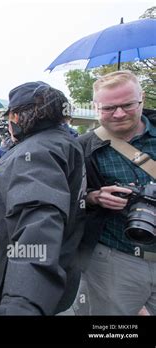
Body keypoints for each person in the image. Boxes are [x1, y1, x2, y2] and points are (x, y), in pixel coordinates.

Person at [0, 81, 86, 315]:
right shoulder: (60, 142)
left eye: (10, 116)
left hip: (9, 286)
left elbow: (37, 227)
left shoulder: (35, 152)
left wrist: (21, 304)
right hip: (41, 278)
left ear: (18, 116)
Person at [77, 70, 156, 315]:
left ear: (142, 98)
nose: (119, 113)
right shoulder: (82, 146)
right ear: (95, 107)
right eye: (109, 108)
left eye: (128, 105)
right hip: (115, 257)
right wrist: (94, 197)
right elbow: (71, 198)